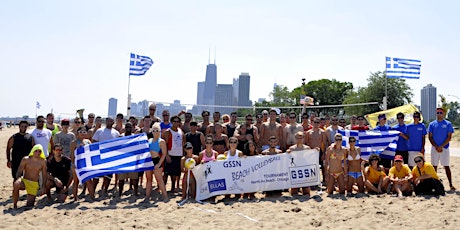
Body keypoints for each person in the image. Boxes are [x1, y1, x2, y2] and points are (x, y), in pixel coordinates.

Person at [428, 107, 455, 191]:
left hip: (445, 148)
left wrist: (441, 146)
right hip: (434, 148)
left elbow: (449, 137)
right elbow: (430, 137)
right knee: (434, 167)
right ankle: (435, 184)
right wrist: (436, 146)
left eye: (440, 112)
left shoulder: (448, 124)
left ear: (443, 114)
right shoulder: (432, 124)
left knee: (446, 166)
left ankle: (450, 184)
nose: (439, 114)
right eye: (437, 112)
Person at [12, 144, 47, 209]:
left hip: (34, 183)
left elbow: (44, 174)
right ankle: (15, 204)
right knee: (16, 184)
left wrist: (43, 186)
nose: (37, 153)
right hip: (25, 181)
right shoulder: (26, 159)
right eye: (36, 151)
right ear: (33, 151)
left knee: (30, 205)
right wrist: (18, 178)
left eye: (39, 151)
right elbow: (19, 170)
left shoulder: (43, 162)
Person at [92, 117, 120, 194]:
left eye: (111, 121)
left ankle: (104, 191)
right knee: (96, 176)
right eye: (108, 121)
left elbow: (119, 145)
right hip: (100, 156)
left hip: (110, 157)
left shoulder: (116, 133)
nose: (109, 122)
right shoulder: (99, 131)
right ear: (106, 122)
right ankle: (93, 191)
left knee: (108, 176)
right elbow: (94, 141)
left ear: (113, 122)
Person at [70, 126, 95, 201]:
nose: (82, 133)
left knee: (89, 180)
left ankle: (92, 196)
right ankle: (75, 198)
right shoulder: (74, 143)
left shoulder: (88, 141)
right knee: (76, 181)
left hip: (86, 164)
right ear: (77, 133)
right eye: (81, 132)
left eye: (84, 132)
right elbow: (72, 155)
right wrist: (73, 164)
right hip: (77, 164)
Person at [145, 123, 168, 202]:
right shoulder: (149, 140)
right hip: (148, 161)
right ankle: (147, 197)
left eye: (157, 130)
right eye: (154, 130)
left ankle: (165, 197)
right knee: (148, 180)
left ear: (159, 131)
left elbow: (164, 154)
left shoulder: (161, 141)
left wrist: (159, 164)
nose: (155, 132)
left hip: (156, 160)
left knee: (159, 179)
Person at [163, 115, 185, 192]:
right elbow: (164, 144)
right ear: (171, 122)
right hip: (170, 154)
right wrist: (166, 155)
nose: (176, 123)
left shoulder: (180, 131)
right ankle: (162, 188)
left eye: (177, 121)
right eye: (174, 121)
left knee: (176, 173)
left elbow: (183, 143)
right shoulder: (168, 132)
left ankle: (173, 188)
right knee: (166, 173)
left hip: (178, 155)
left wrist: (183, 154)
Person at [117, 122, 139, 197]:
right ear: (125, 128)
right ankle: (120, 193)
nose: (128, 128)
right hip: (123, 161)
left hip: (132, 161)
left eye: (130, 127)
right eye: (127, 127)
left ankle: (135, 193)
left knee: (135, 179)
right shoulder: (120, 137)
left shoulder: (135, 137)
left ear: (132, 128)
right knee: (121, 179)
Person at [287, 131, 312, 196]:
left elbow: (311, 158)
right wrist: (287, 153)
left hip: (304, 169)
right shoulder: (292, 148)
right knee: (294, 193)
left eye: (301, 138)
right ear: (295, 139)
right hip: (295, 169)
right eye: (298, 138)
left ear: (303, 138)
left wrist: (315, 151)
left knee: (306, 192)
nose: (299, 139)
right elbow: (288, 159)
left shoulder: (307, 148)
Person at [305, 117, 328, 182]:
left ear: (319, 123)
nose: (316, 124)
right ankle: (312, 180)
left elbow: (325, 143)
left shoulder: (322, 132)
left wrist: (324, 153)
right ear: (312, 123)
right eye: (315, 122)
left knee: (323, 166)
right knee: (311, 167)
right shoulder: (308, 132)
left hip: (319, 151)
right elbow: (306, 143)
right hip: (311, 151)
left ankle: (324, 180)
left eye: (317, 122)